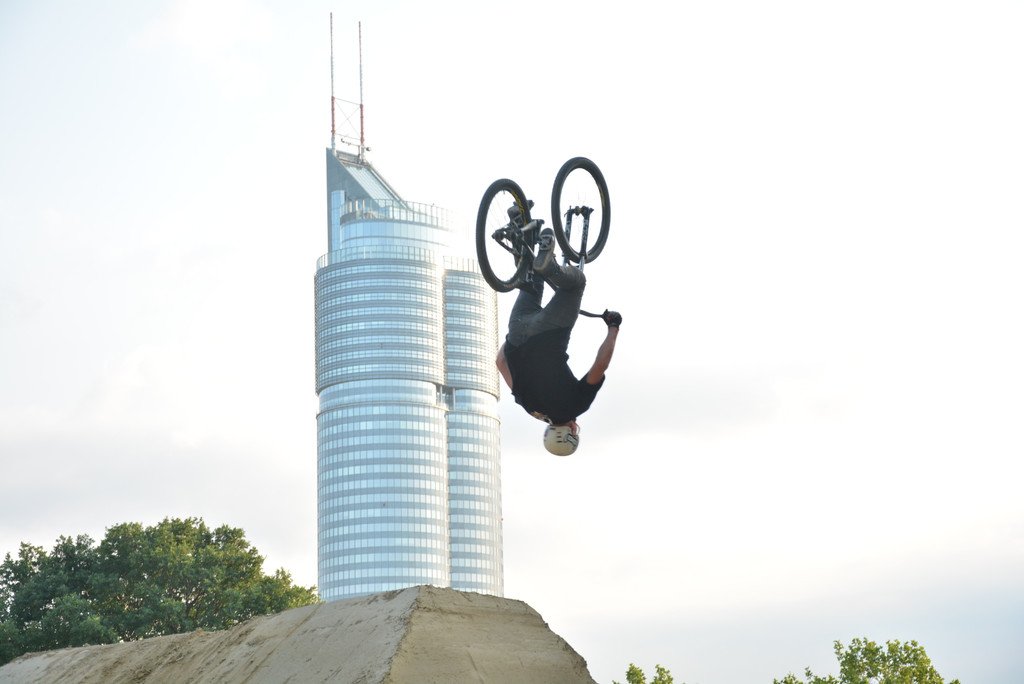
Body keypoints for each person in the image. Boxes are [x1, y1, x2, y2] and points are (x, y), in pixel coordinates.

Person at [495, 227, 621, 456]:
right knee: (531, 281)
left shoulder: (577, 405)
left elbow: (600, 366)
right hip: (517, 330)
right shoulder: (529, 407)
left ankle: (550, 266)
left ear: (572, 431)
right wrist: (518, 337)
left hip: (550, 331)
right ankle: (520, 230)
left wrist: (613, 327)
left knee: (576, 284)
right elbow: (501, 362)